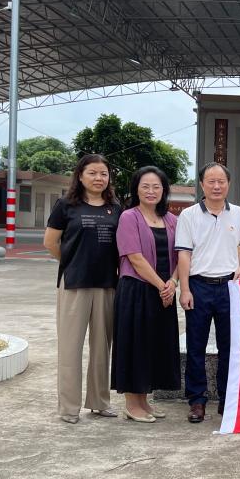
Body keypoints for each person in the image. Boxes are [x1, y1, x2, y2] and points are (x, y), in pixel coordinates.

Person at [43, 154, 122, 424]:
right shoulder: (66, 205)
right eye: (93, 173)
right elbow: (50, 242)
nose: (99, 178)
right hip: (74, 284)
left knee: (102, 348)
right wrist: (71, 262)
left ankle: (100, 402)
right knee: (70, 347)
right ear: (80, 175)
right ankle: (68, 407)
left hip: (107, 284)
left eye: (104, 173)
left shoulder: (115, 208)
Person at [176, 162, 240, 424]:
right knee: (195, 346)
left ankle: (226, 399)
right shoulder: (189, 216)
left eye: (221, 181)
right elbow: (183, 254)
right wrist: (184, 289)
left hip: (229, 287)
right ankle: (197, 401)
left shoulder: (239, 214)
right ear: (202, 184)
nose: (216, 186)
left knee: (229, 346)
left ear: (228, 184)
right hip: (198, 286)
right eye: (211, 181)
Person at [111, 166, 181, 423]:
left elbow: (181, 256)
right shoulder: (129, 217)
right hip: (137, 290)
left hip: (164, 292)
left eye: (156, 187)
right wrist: (163, 286)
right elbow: (135, 258)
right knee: (135, 346)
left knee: (153, 346)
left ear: (164, 190)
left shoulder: (172, 220)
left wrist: (173, 282)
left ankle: (144, 401)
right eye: (145, 186)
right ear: (136, 189)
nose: (151, 191)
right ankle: (132, 404)